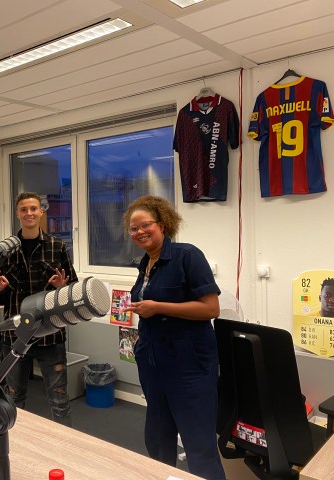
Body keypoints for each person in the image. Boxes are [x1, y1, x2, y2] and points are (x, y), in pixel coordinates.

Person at [122, 195, 225, 480]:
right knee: (158, 439)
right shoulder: (145, 264)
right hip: (153, 362)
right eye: (133, 228)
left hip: (189, 365)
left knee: (199, 447)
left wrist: (158, 307)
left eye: (145, 225)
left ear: (163, 224)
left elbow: (211, 309)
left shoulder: (187, 256)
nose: (139, 232)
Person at [0, 192, 77, 425]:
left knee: (59, 399)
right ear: (17, 213)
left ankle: (64, 443)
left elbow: (72, 290)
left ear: (41, 212)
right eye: (24, 209)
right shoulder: (4, 250)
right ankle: (14, 443)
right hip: (15, 334)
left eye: (34, 209)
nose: (29, 213)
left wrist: (62, 288)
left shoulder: (57, 246)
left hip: (51, 333)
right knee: (13, 398)